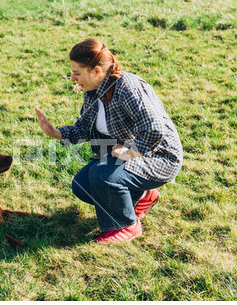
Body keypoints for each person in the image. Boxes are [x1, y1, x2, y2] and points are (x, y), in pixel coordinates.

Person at [35, 38, 183, 244]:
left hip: (159, 156)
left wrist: (131, 151)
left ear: (96, 71)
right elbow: (83, 128)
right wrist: (55, 133)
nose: (72, 78)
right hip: (123, 155)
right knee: (82, 185)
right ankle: (144, 196)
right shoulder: (93, 91)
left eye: (77, 73)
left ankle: (127, 225)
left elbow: (154, 129)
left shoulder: (128, 88)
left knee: (101, 176)